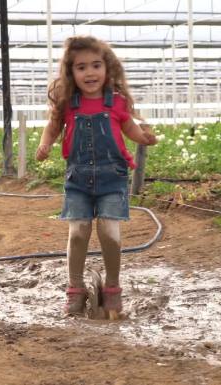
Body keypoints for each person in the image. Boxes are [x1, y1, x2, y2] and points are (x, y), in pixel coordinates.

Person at [35, 35, 157, 317]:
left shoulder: (116, 102)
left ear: (107, 68)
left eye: (96, 65)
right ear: (71, 72)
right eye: (81, 67)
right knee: (78, 232)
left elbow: (129, 129)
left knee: (110, 232)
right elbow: (52, 128)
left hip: (112, 177)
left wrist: (144, 137)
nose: (89, 73)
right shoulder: (68, 103)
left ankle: (112, 289)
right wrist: (44, 145)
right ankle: (75, 290)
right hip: (78, 179)